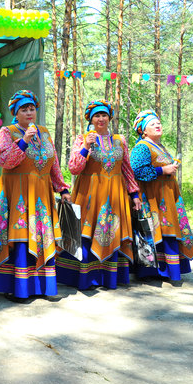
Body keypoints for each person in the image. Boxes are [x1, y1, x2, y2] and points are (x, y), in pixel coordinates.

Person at [0, 90, 71, 302]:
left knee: (41, 237)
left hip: (41, 194)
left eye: (32, 108)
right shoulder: (7, 132)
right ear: (15, 112)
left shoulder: (44, 131)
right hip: (17, 195)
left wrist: (62, 188)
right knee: (20, 237)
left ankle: (41, 286)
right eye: (24, 109)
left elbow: (54, 164)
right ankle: (17, 287)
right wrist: (23, 140)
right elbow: (4, 160)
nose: (30, 112)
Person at [55, 100, 141, 290]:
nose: (101, 119)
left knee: (112, 230)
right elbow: (74, 168)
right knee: (87, 234)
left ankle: (110, 278)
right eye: (96, 116)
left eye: (104, 115)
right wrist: (85, 146)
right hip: (90, 195)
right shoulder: (83, 138)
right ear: (90, 119)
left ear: (109, 117)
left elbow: (126, 168)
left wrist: (134, 193)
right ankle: (87, 278)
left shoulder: (120, 140)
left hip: (116, 195)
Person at [129, 109, 193, 280]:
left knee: (168, 231)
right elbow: (136, 172)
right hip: (153, 199)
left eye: (158, 122)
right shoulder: (142, 147)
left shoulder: (159, 146)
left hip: (166, 199)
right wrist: (162, 170)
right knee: (154, 231)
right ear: (143, 131)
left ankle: (170, 270)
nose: (157, 125)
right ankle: (153, 271)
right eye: (152, 124)